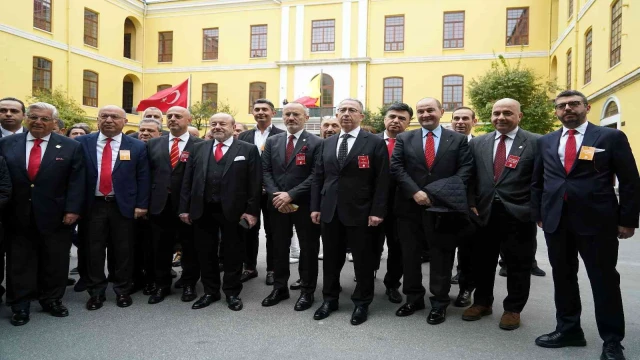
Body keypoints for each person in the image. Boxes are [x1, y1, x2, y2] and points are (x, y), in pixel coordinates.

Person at [531, 90, 640, 360]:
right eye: (561, 106)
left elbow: (629, 181)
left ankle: (613, 341)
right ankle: (569, 329)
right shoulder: (546, 142)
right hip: (557, 221)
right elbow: (538, 182)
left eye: (574, 104)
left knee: (603, 280)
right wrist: (539, 214)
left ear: (586, 107)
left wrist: (627, 220)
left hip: (597, 221)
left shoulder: (609, 137)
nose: (568, 109)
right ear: (556, 111)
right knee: (563, 277)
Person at [0, 102, 85, 326]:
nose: (38, 122)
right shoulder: (7, 143)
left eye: (45, 119)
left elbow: (76, 182)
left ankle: (52, 299)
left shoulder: (70, 146)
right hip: (16, 212)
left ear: (54, 123)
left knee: (55, 260)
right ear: (26, 118)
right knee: (19, 261)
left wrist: (73, 210)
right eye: (34, 117)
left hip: (56, 215)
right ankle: (19, 304)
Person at [389, 97, 472, 325]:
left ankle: (439, 303)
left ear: (442, 111)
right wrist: (415, 192)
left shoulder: (457, 140)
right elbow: (396, 167)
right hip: (409, 208)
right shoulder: (405, 138)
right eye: (421, 111)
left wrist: (438, 192)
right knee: (410, 257)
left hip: (444, 209)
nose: (426, 114)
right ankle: (414, 298)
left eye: (430, 110)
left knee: (441, 258)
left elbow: (465, 169)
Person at [310, 98, 389, 326]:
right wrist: (316, 206)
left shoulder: (373, 142)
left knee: (363, 261)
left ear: (361, 116)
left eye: (352, 110)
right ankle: (330, 299)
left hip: (362, 212)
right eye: (342, 110)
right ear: (336, 115)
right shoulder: (326, 143)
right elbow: (318, 177)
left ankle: (362, 302)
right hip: (330, 210)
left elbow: (382, 180)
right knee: (331, 260)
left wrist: (377, 211)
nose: (346, 114)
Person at [462, 99, 539, 331]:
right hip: (483, 213)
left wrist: (534, 209)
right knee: (482, 262)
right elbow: (470, 177)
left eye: (507, 113)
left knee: (518, 264)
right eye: (496, 113)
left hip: (519, 214)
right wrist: (471, 202)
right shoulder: (478, 143)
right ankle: (482, 303)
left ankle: (513, 309)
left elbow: (540, 180)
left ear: (519, 116)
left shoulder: (536, 142)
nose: (501, 117)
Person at [179, 113, 261, 311]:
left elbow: (255, 183)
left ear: (233, 127)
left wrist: (251, 211)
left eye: (222, 124)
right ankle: (210, 292)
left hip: (234, 211)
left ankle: (232, 293)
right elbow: (188, 181)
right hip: (203, 209)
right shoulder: (198, 148)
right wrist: (184, 208)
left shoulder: (248, 150)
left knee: (233, 253)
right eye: (213, 124)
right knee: (206, 253)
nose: (217, 127)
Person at [76, 105, 150, 311]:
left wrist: (142, 205)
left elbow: (143, 177)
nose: (108, 120)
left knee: (123, 250)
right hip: (92, 206)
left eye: (114, 116)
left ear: (125, 121)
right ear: (97, 120)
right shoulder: (81, 143)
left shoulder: (136, 146)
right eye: (104, 116)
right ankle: (96, 293)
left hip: (123, 206)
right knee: (93, 251)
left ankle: (122, 290)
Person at [261, 102, 322, 311]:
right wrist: (278, 196)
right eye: (287, 114)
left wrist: (291, 195)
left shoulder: (316, 142)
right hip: (277, 204)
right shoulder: (273, 141)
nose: (291, 118)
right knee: (279, 248)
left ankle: (307, 290)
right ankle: (280, 287)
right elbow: (265, 171)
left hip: (304, 204)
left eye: (296, 114)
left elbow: (316, 174)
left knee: (308, 249)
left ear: (306, 117)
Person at [147, 107, 202, 304]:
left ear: (188, 119)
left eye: (177, 116)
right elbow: (147, 176)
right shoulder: (153, 144)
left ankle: (189, 284)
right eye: (169, 116)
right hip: (160, 205)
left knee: (190, 247)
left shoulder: (201, 145)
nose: (172, 119)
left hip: (187, 206)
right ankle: (161, 285)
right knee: (160, 248)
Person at [237, 99, 285, 285]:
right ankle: (249, 267)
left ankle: (272, 269)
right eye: (257, 109)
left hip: (274, 193)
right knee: (249, 230)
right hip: (249, 194)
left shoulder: (282, 135)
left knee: (274, 232)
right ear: (252, 112)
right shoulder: (243, 136)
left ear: (273, 113)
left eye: (265, 109)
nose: (261, 112)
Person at [376, 102, 413, 305]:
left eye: (401, 118)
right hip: (372, 205)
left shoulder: (413, 143)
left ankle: (392, 285)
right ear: (385, 119)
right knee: (370, 246)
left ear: (408, 122)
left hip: (401, 207)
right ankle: (366, 279)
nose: (395, 121)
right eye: (392, 117)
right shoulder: (369, 141)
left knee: (397, 248)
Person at [449, 107, 478, 306]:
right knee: (444, 251)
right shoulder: (444, 144)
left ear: (474, 122)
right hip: (446, 206)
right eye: (456, 118)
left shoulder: (479, 145)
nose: (460, 122)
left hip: (471, 208)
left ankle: (466, 290)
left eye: (465, 118)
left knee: (469, 253)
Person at [0, 97, 27, 304]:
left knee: (21, 256)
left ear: (23, 116)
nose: (8, 114)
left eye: (13, 111)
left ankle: (21, 296)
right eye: (3, 110)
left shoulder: (35, 137)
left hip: (25, 208)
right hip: (2, 210)